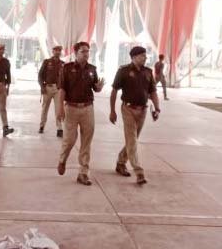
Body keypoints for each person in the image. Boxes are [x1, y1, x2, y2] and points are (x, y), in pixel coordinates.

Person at [110, 46, 160, 185]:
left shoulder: (148, 72)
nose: (145, 58)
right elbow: (114, 91)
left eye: (145, 55)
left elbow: (153, 92)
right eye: (142, 55)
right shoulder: (123, 71)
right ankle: (139, 172)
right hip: (128, 109)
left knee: (132, 140)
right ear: (133, 57)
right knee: (132, 140)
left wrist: (157, 108)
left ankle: (121, 162)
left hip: (143, 110)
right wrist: (112, 111)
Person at [57, 41, 105, 186]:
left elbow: (95, 88)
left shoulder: (92, 69)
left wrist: (99, 87)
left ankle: (83, 173)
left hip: (87, 108)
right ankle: (62, 159)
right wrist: (60, 108)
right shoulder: (67, 68)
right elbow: (62, 89)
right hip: (71, 108)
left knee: (86, 141)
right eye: (83, 51)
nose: (86, 54)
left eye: (88, 51)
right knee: (70, 140)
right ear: (75, 53)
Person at [38, 45, 65, 137]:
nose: (57, 52)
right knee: (45, 108)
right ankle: (42, 126)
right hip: (47, 88)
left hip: (58, 89)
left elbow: (65, 79)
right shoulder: (47, 62)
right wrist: (42, 86)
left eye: (59, 50)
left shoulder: (63, 64)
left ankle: (59, 128)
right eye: (56, 50)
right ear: (53, 51)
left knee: (58, 109)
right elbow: (40, 75)